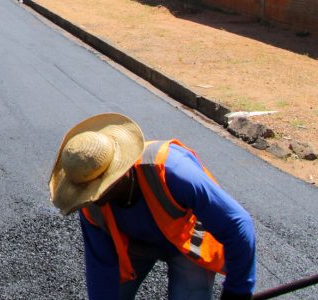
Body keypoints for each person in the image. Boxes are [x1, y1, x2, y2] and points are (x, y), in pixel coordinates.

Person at [49, 113, 256, 300]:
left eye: (102, 190)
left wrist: (237, 291)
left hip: (187, 238)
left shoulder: (172, 171)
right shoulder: (91, 207)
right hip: (136, 243)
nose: (96, 199)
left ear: (122, 173)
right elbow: (101, 270)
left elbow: (238, 224)